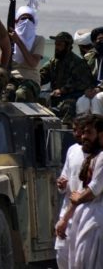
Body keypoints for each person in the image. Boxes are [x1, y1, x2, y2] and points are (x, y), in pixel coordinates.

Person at [62, 114, 103, 268]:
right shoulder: (94, 156)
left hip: (96, 221)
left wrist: (78, 197)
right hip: (86, 218)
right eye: (83, 132)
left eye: (89, 133)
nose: (83, 136)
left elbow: (93, 190)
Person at [54, 114, 87, 268]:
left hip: (86, 216)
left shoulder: (98, 155)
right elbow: (65, 175)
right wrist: (61, 184)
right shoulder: (72, 150)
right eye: (74, 130)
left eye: (79, 131)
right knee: (63, 257)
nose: (76, 134)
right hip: (67, 214)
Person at [40, 32, 93, 124]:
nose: (56, 47)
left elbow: (80, 83)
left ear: (67, 46)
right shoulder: (54, 62)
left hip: (73, 96)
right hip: (55, 96)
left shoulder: (78, 63)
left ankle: (66, 133)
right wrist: (34, 80)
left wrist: (62, 90)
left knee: (68, 106)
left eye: (60, 45)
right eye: (56, 44)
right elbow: (43, 75)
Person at [5, 6, 45, 102]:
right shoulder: (7, 39)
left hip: (30, 80)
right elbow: (1, 62)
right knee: (7, 93)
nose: (27, 21)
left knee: (21, 94)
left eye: (30, 19)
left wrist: (18, 41)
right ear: (16, 21)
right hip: (11, 79)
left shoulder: (38, 40)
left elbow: (33, 63)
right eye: (23, 18)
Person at [77, 27, 103, 115]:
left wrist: (99, 88)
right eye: (99, 39)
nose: (101, 42)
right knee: (82, 101)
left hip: (100, 91)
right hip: (93, 90)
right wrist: (87, 89)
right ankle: (84, 127)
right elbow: (82, 75)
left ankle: (98, 127)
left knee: (98, 98)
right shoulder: (90, 56)